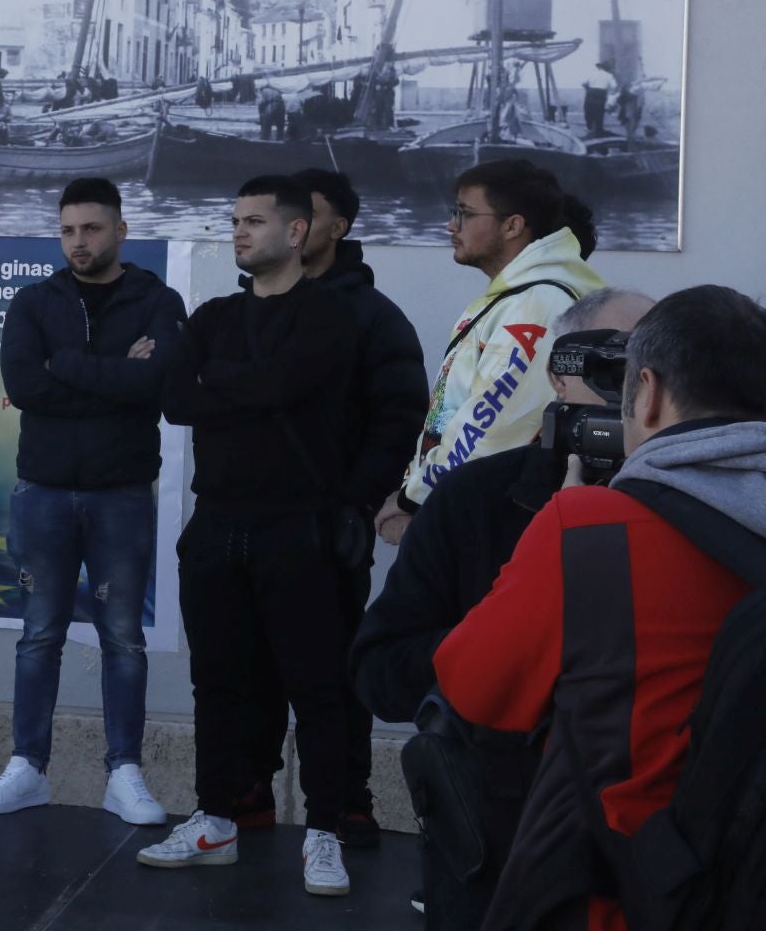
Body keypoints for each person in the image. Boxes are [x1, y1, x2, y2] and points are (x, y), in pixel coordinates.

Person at [432, 285, 766, 930]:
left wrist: (554, 527)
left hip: (632, 890)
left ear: (648, 392)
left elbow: (471, 687)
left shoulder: (591, 525)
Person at [352, 288, 654, 930]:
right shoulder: (475, 501)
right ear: (555, 373)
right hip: (496, 844)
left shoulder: (696, 503)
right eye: (604, 364)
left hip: (655, 851)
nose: (625, 388)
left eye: (646, 367)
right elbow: (379, 673)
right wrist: (511, 622)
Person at [140, 176, 362, 899]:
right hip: (217, 527)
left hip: (298, 526)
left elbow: (283, 388)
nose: (238, 231)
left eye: (255, 220)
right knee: (220, 684)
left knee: (317, 686)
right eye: (233, 219)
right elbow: (176, 401)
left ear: (296, 233)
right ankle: (215, 818)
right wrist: (247, 384)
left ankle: (325, 832)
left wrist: (226, 386)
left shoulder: (331, 318)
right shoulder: (210, 318)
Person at [0, 177, 185, 827]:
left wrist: (67, 365)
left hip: (121, 495)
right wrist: (114, 373)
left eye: (91, 229)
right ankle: (27, 768)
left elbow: (157, 382)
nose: (79, 242)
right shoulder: (34, 302)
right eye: (68, 230)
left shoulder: (159, 299)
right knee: (39, 636)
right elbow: (24, 385)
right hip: (42, 494)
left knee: (122, 638)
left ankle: (124, 773)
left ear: (120, 230)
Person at [227, 170, 429, 843]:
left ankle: (344, 806)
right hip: (244, 529)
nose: (286, 226)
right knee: (245, 667)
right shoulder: (245, 311)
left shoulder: (373, 317)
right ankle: (245, 795)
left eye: (302, 215)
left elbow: (399, 419)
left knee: (332, 675)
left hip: (326, 531)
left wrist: (353, 506)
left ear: (333, 227)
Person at [377, 159, 605, 546]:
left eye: (464, 214)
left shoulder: (537, 303)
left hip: (487, 522)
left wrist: (414, 499)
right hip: (473, 509)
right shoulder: (516, 297)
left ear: (512, 225)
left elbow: (490, 424)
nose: (451, 225)